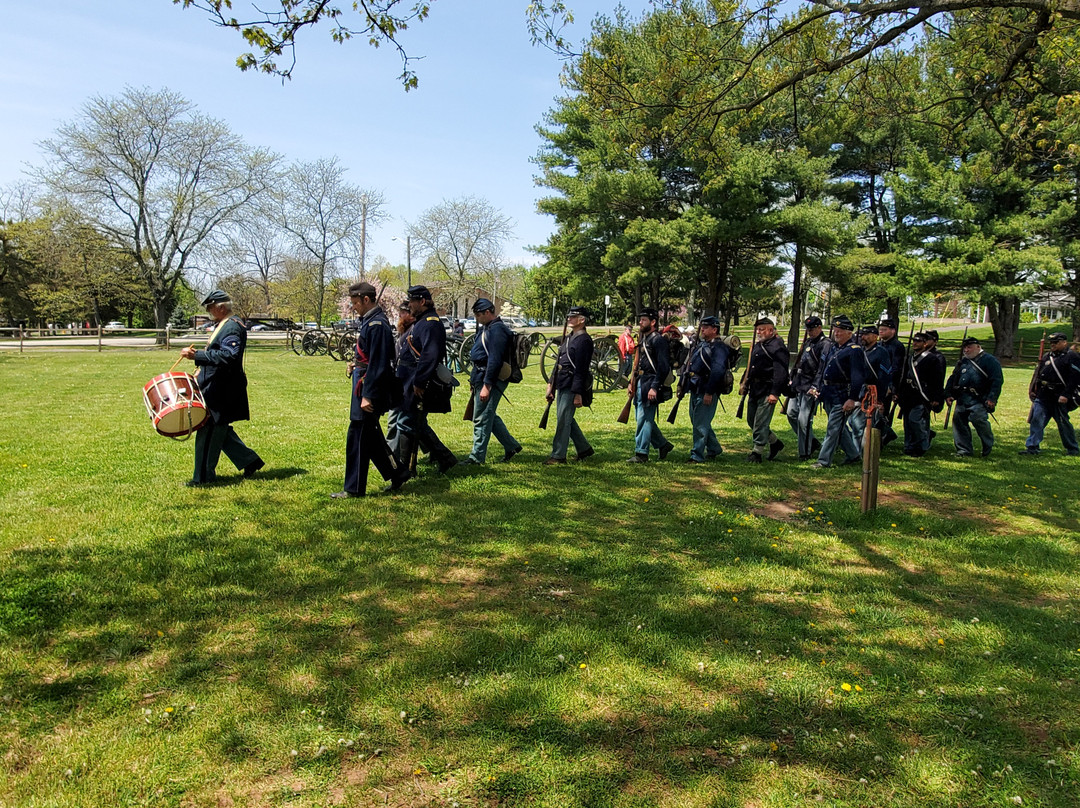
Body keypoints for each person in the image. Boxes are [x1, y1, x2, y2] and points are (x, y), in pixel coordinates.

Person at [332, 282, 410, 498]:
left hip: (369, 388)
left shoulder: (377, 325)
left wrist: (368, 396)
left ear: (367, 300)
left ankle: (354, 489)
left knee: (357, 436)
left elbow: (379, 364)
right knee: (371, 438)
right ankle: (398, 473)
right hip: (364, 384)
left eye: (356, 302)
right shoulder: (370, 322)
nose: (353, 307)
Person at [179, 290, 264, 486]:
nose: (208, 311)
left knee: (208, 430)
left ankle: (202, 478)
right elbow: (217, 353)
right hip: (216, 385)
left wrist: (197, 356)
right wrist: (201, 369)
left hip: (222, 389)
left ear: (221, 307)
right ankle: (249, 461)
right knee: (219, 428)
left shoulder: (231, 327)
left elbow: (229, 356)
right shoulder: (224, 325)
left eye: (210, 307)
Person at [395, 285, 458, 475]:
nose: (410, 306)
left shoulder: (430, 323)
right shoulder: (422, 322)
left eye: (412, 302)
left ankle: (406, 469)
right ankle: (442, 459)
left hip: (417, 383)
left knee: (407, 422)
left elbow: (429, 357)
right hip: (409, 382)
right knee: (415, 423)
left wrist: (419, 383)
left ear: (422, 301)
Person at [462, 298, 523, 464]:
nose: (476, 318)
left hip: (491, 378)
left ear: (487, 313)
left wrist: (487, 386)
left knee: (482, 417)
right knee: (488, 415)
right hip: (480, 376)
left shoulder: (497, 330)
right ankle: (511, 446)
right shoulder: (487, 328)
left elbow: (495, 360)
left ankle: (476, 457)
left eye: (478, 315)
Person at [808, 315, 864, 469]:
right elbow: (823, 370)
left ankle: (823, 461)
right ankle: (853, 455)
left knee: (833, 428)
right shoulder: (834, 348)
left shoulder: (854, 351)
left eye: (840, 331)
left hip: (842, 394)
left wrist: (852, 398)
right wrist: (817, 387)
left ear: (849, 333)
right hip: (828, 392)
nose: (837, 333)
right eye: (835, 330)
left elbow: (857, 377)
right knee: (839, 428)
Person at [544, 305, 595, 464]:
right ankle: (584, 449)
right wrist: (551, 383)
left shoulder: (584, 340)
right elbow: (559, 361)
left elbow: (581, 369)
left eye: (573, 317)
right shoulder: (569, 337)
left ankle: (558, 456)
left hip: (573, 384)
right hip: (562, 381)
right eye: (569, 317)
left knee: (563, 420)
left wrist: (578, 393)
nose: (569, 319)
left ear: (582, 320)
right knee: (565, 418)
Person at [1019, 332, 1079, 456]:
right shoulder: (1047, 356)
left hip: (1059, 395)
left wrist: (1066, 395)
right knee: (1037, 420)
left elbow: (1075, 378)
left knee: (1063, 423)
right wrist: (1033, 389)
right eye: (1051, 342)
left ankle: (1072, 448)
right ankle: (1032, 446)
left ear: (1064, 342)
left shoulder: (1072, 356)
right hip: (1044, 394)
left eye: (1056, 342)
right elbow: (1038, 374)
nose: (1052, 345)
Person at [626, 307, 674, 463]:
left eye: (644, 319)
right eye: (640, 319)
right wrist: (631, 382)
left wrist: (654, 386)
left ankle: (641, 453)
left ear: (653, 322)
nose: (640, 322)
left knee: (644, 419)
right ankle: (662, 444)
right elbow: (637, 364)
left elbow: (663, 366)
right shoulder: (644, 339)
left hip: (650, 383)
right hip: (640, 382)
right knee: (642, 418)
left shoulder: (658, 340)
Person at [945, 336, 1004, 458]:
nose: (966, 350)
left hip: (979, 398)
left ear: (978, 347)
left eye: (969, 347)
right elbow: (953, 378)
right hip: (962, 398)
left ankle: (987, 445)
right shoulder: (963, 362)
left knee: (979, 421)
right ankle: (964, 450)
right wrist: (949, 394)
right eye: (965, 348)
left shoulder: (989, 360)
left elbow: (997, 381)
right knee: (959, 423)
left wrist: (992, 398)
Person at [741, 317, 789, 462]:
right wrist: (744, 382)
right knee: (752, 420)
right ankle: (775, 442)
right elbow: (751, 366)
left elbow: (780, 372)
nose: (759, 332)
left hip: (768, 389)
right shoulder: (758, 345)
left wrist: (775, 393)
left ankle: (757, 452)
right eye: (758, 329)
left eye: (762, 329)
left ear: (770, 330)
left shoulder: (778, 347)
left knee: (761, 422)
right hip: (755, 388)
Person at [685, 315, 731, 463]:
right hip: (695, 386)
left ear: (714, 329)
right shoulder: (702, 345)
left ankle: (697, 455)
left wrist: (709, 392)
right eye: (701, 327)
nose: (702, 329)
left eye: (705, 327)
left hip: (706, 388)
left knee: (700, 423)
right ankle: (714, 448)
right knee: (697, 420)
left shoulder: (719, 348)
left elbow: (717, 371)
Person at [896, 332, 946, 457]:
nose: (915, 343)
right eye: (914, 341)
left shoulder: (931, 359)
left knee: (915, 421)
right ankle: (909, 446)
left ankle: (922, 445)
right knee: (907, 422)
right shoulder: (910, 358)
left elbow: (937, 380)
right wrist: (898, 392)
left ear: (925, 344)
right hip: (908, 395)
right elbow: (903, 376)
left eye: (918, 341)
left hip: (922, 395)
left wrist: (936, 397)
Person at [786, 315, 826, 460]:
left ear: (819, 328)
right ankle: (812, 441)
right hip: (799, 384)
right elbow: (799, 363)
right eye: (808, 329)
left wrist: (816, 385)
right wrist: (792, 378)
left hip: (810, 386)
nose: (809, 331)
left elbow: (822, 368)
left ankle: (805, 452)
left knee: (804, 420)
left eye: (812, 328)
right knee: (791, 414)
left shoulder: (825, 344)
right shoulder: (808, 342)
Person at [848, 325, 892, 451]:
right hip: (860, 390)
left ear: (875, 336)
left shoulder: (881, 352)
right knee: (854, 421)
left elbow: (884, 375)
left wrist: (880, 398)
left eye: (866, 335)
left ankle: (859, 452)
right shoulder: (859, 350)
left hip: (873, 391)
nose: (863, 337)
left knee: (860, 423)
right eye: (862, 334)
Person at [877, 317, 905, 447]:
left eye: (884, 329)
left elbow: (896, 367)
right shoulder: (880, 344)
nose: (881, 331)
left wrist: (892, 386)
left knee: (884, 412)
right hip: (878, 382)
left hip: (888, 384)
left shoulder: (897, 346)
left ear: (892, 331)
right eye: (880, 329)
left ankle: (885, 434)